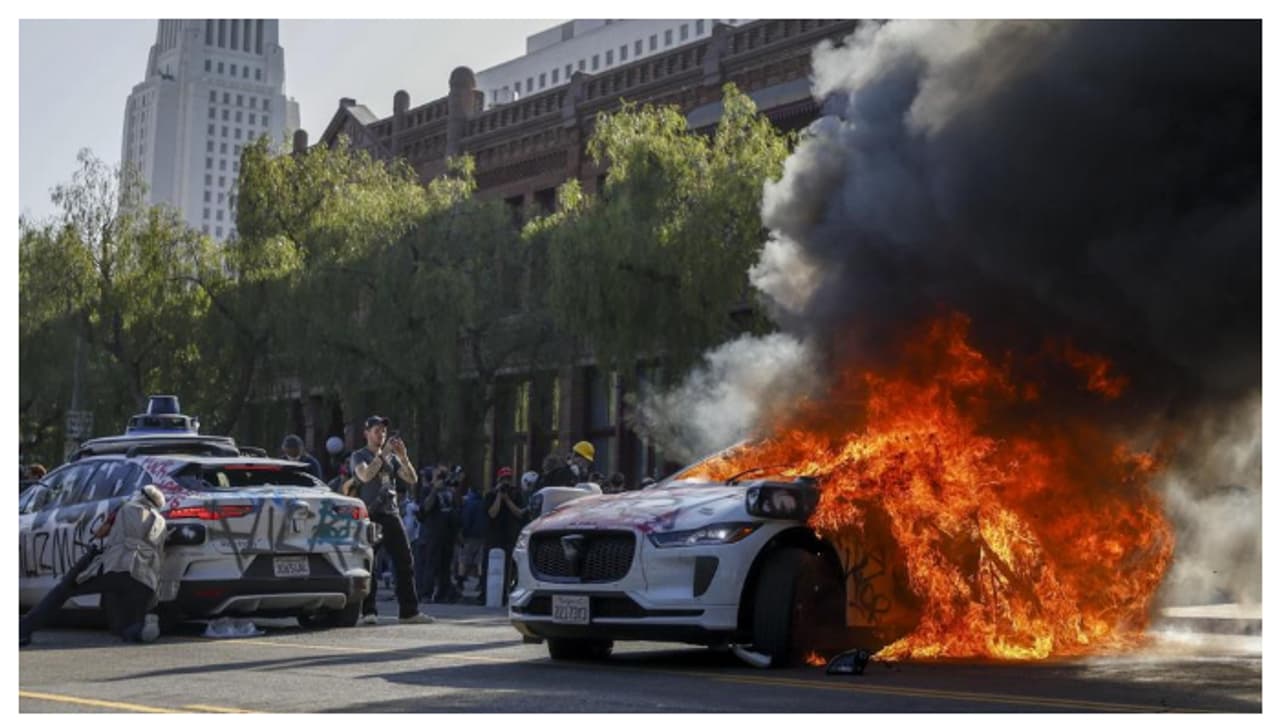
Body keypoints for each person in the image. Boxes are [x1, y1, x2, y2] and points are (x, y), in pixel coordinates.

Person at [20, 485, 167, 646]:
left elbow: (101, 532)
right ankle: (140, 629)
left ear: (140, 495)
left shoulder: (126, 508)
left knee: (65, 589)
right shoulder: (160, 521)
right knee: (127, 628)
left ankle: (24, 629)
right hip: (145, 579)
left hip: (119, 565)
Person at [342, 416, 434, 625]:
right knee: (370, 562)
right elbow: (364, 476)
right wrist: (382, 456)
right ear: (366, 433)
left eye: (383, 431)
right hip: (370, 514)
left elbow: (412, 479)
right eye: (376, 430)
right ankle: (369, 611)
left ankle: (409, 611)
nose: (381, 434)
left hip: (391, 512)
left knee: (405, 560)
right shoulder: (359, 456)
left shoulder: (391, 457)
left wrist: (404, 457)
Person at [481, 466, 526, 606]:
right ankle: (486, 594)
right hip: (494, 536)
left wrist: (508, 500)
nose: (506, 482)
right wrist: (499, 496)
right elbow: (492, 513)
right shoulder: (490, 495)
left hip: (510, 536)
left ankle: (506, 594)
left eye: (508, 479)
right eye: (503, 479)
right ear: (498, 480)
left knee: (509, 568)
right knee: (490, 567)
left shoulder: (516, 494)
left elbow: (520, 513)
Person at [416, 464, 460, 604]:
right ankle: (426, 593)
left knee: (446, 566)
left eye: (442, 477)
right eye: (438, 476)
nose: (441, 479)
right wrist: (435, 490)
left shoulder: (449, 491)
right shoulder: (427, 490)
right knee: (431, 564)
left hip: (448, 533)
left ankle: (444, 593)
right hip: (433, 533)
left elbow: (455, 508)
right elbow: (425, 508)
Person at [457, 479, 488, 604]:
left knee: (464, 558)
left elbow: (466, 519)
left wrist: (463, 533)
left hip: (470, 536)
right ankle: (481, 582)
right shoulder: (483, 503)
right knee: (479, 560)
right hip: (482, 535)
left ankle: (460, 581)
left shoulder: (469, 503)